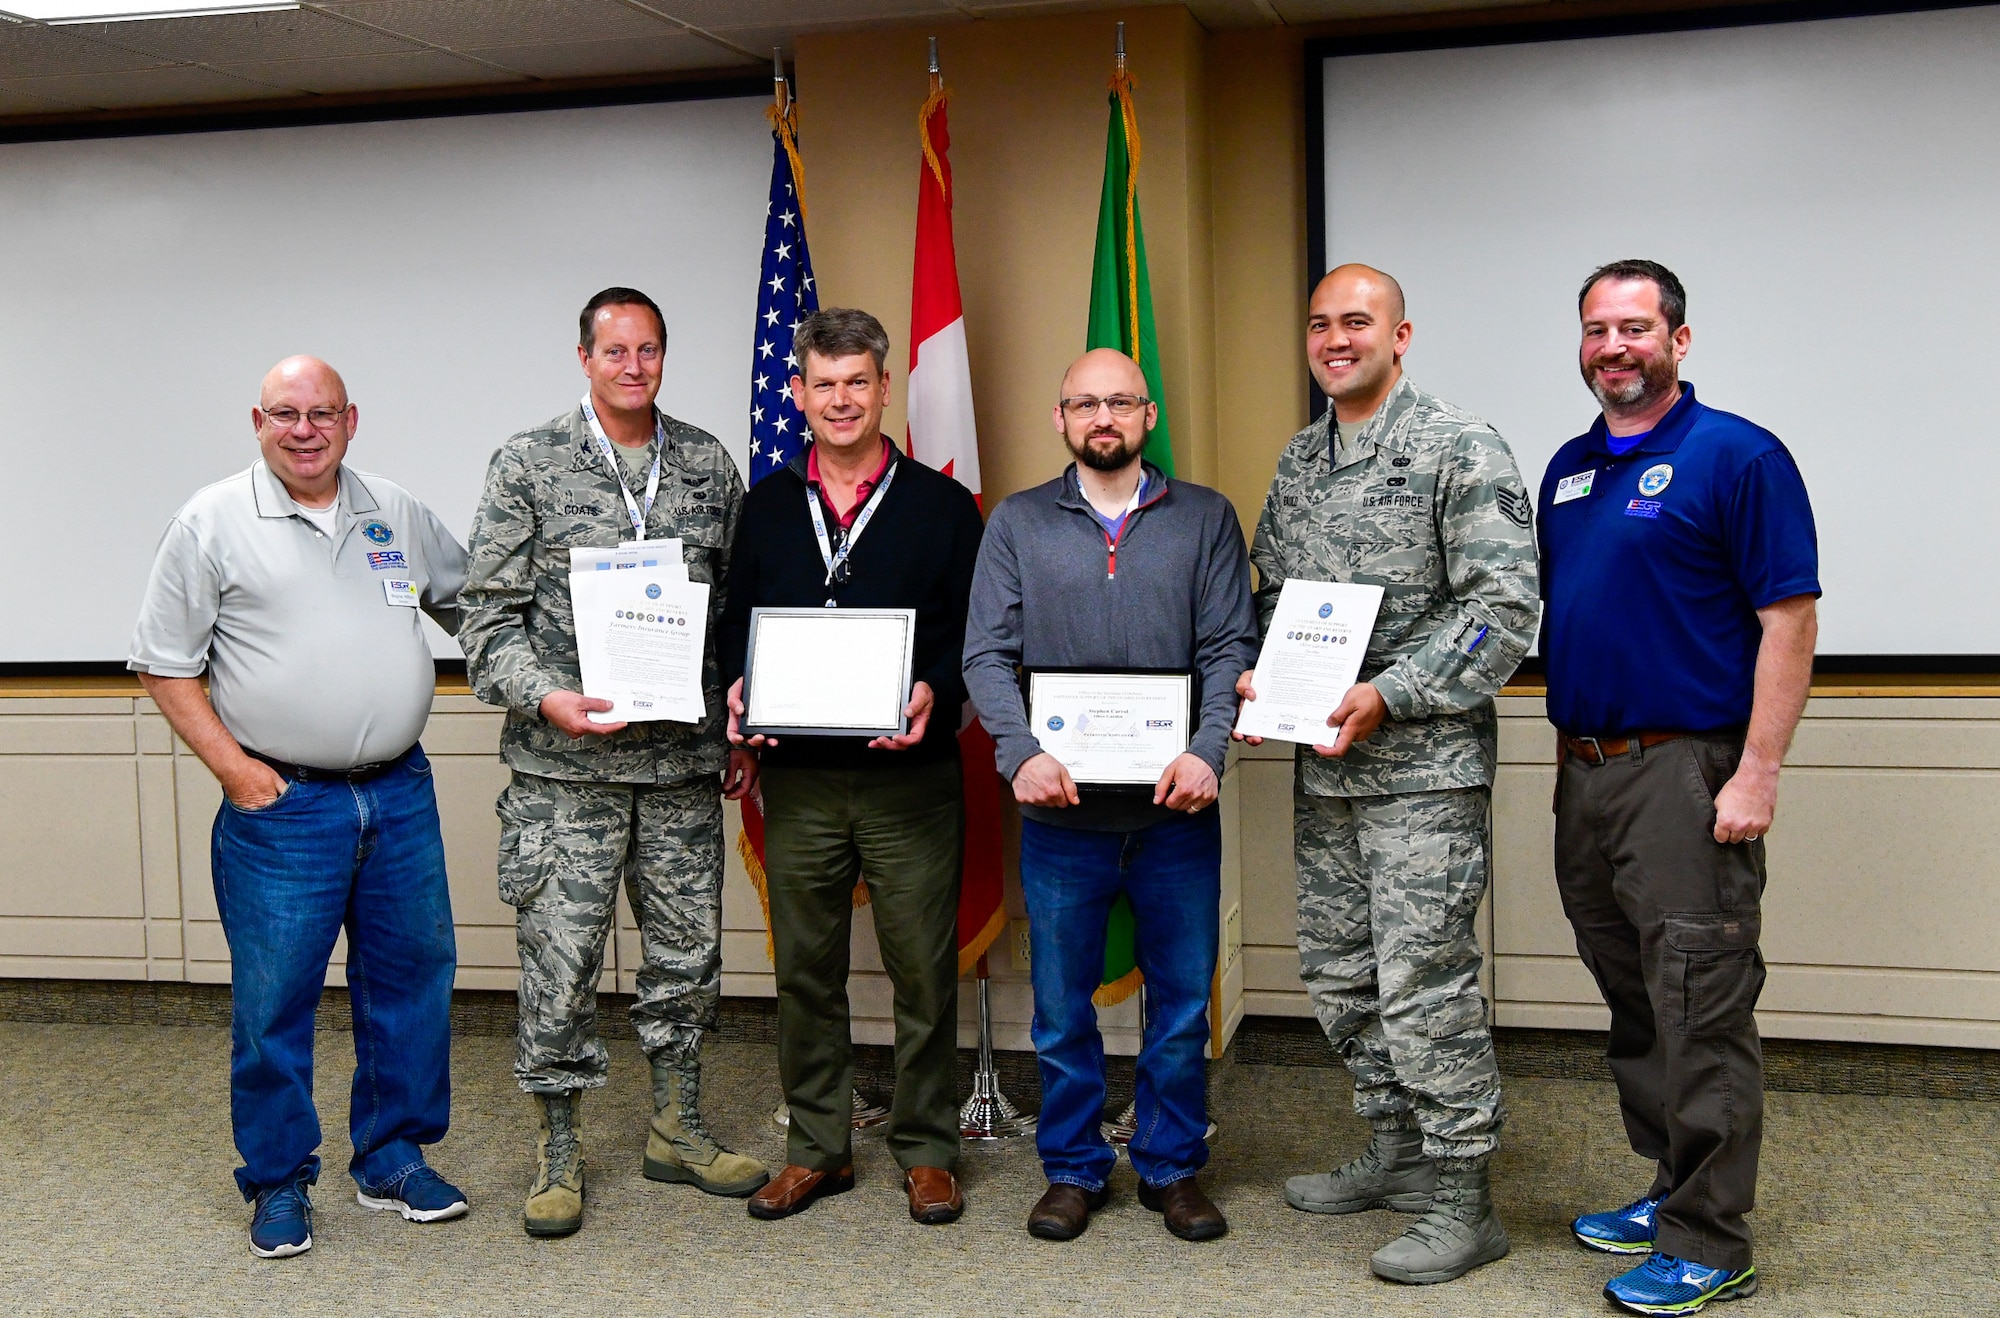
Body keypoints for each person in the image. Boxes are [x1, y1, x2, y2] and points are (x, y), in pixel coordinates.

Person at [129, 356, 470, 1259]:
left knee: (413, 977)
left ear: (352, 420)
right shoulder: (210, 523)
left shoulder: (392, 509)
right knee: (275, 1000)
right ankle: (278, 1180)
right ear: (257, 420)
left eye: (323, 413)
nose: (306, 429)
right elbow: (165, 663)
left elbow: (479, 610)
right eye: (287, 413)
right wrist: (237, 773)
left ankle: (392, 1157)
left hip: (399, 794)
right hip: (284, 808)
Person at [1241, 264, 1538, 1284]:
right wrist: (1256, 679)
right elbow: (1275, 601)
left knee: (1422, 987)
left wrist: (1389, 693)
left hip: (1420, 772)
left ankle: (1464, 1196)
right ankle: (1398, 1148)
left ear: (1399, 336)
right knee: (1337, 975)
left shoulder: (1460, 446)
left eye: (1355, 321)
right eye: (1318, 322)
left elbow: (1502, 612)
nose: (1333, 337)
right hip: (1323, 773)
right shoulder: (1298, 461)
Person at [1540, 259, 1817, 1316]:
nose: (1613, 347)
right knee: (1633, 1001)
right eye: (1595, 329)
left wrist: (1756, 770)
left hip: (1685, 772)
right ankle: (1666, 1187)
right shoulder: (1568, 468)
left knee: (1697, 1004)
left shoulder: (1735, 456)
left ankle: (1709, 1240)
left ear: (1677, 341)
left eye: (1633, 328)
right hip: (1585, 772)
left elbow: (1787, 620)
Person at [459, 287, 765, 1239]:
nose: (634, 367)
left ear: (665, 358)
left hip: (679, 770)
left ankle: (677, 1126)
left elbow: (733, 619)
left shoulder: (709, 463)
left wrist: (740, 718)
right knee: (561, 967)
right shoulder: (529, 462)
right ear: (584, 357)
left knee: (687, 961)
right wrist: (546, 693)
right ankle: (558, 1150)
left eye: (650, 351)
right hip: (566, 776)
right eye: (615, 351)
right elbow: (485, 619)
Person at [964, 347, 1256, 1244]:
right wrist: (1020, 752)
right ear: (1060, 420)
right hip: (1060, 820)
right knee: (1060, 1013)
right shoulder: (1016, 523)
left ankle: (1170, 1167)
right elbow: (984, 656)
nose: (1103, 418)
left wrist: (1209, 752)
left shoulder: (1205, 518)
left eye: (1120, 403)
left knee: (1177, 1007)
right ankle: (1075, 1168)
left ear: (1148, 415)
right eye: (1084, 404)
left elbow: (1227, 649)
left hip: (1176, 815)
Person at [719, 308, 984, 1226]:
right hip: (798, 782)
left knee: (921, 969)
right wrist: (740, 696)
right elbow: (732, 632)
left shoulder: (942, 507)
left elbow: (976, 638)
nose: (840, 399)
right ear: (798, 394)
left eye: (857, 382)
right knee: (806, 970)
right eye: (822, 384)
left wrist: (933, 695)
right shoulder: (763, 507)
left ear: (885, 390)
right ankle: (818, 1147)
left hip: (909, 781)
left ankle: (925, 1148)